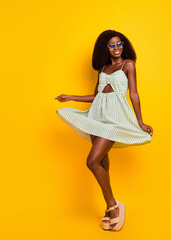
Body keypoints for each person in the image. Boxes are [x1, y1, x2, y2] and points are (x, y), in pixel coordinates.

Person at [54, 30, 153, 231]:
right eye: (111, 45)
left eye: (119, 44)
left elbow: (133, 94)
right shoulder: (103, 69)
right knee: (102, 162)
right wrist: (71, 97)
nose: (116, 48)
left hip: (115, 118)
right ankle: (110, 208)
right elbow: (96, 96)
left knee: (92, 161)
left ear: (123, 45)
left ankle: (113, 206)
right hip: (97, 116)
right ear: (105, 48)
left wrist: (140, 122)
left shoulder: (128, 65)